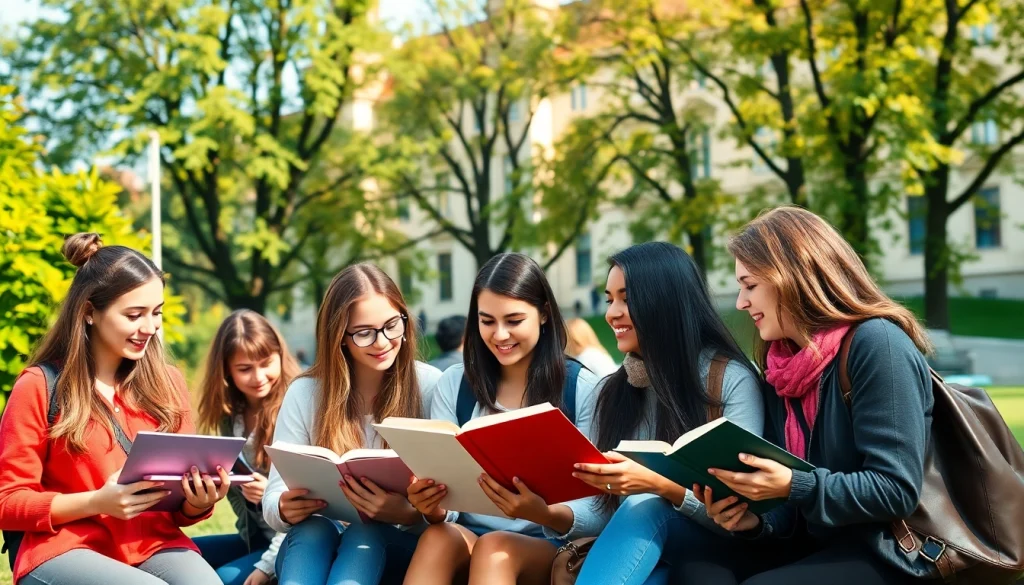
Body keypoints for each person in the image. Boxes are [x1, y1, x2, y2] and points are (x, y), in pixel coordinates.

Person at [691, 206, 934, 585]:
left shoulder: (877, 345)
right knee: (697, 571)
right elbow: (790, 513)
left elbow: (895, 490)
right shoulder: (779, 367)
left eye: (750, 285)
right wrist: (754, 521)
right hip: (817, 544)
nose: (740, 302)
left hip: (888, 550)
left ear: (793, 278)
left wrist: (793, 483)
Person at [0, 233, 228, 585]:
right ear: (89, 311)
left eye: (157, 313)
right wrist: (96, 503)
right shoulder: (38, 385)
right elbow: (8, 501)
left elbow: (179, 504)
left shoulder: (168, 383)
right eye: (134, 314)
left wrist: (198, 500)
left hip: (152, 543)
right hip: (63, 548)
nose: (149, 328)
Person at [570, 242, 765, 585]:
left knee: (644, 505)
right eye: (609, 299)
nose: (611, 313)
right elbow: (601, 513)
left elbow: (743, 509)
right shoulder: (611, 391)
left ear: (665, 302)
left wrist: (659, 486)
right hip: (645, 548)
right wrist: (538, 510)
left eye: (626, 299)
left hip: (723, 541)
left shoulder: (729, 379)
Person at [403, 252, 602, 585]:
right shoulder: (454, 383)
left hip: (549, 542)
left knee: (495, 547)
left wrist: (543, 513)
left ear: (543, 315)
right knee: (438, 537)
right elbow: (448, 506)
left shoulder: (583, 387)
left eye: (513, 321)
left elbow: (600, 507)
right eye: (487, 321)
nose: (499, 335)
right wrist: (433, 505)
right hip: (469, 534)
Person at [263, 263, 443, 585]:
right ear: (340, 338)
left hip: (398, 543)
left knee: (366, 534)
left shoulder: (429, 386)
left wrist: (404, 512)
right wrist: (284, 508)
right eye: (364, 333)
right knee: (312, 531)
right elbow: (275, 493)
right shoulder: (307, 392)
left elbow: (452, 508)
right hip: (320, 537)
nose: (382, 342)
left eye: (392, 325)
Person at [192, 310, 300, 585]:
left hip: (293, 543)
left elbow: (306, 512)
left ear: (280, 356)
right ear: (226, 370)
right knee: (183, 555)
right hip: (254, 539)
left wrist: (271, 497)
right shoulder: (231, 418)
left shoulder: (293, 410)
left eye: (266, 363)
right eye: (244, 369)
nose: (259, 376)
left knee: (221, 579)